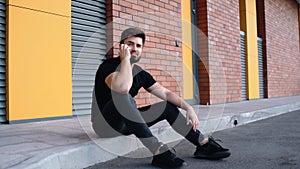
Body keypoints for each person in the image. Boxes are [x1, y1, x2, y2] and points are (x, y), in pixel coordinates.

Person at [92, 27, 230, 168]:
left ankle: (203, 144)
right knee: (123, 96)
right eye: (130, 44)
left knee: (167, 106)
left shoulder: (140, 74)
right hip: (104, 125)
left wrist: (188, 107)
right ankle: (158, 151)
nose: (134, 48)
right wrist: (125, 60)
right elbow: (122, 88)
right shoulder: (107, 66)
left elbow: (165, 93)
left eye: (138, 45)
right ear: (121, 46)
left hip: (126, 123)